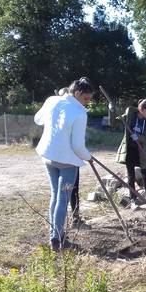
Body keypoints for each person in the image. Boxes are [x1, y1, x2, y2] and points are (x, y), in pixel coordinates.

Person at [34, 77, 93, 251]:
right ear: (77, 93)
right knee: (62, 200)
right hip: (67, 162)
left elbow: (38, 119)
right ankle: (57, 239)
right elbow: (77, 146)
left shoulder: (53, 101)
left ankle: (54, 235)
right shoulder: (80, 113)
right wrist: (88, 157)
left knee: (55, 195)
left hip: (48, 156)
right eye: (86, 99)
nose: (87, 103)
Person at [110, 98, 146, 208]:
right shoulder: (130, 116)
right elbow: (114, 123)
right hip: (130, 149)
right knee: (131, 175)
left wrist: (139, 137)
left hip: (141, 149)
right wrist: (111, 110)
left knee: (145, 172)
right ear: (140, 109)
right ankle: (133, 199)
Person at [57, 87, 83, 227]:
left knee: (74, 188)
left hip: (73, 159)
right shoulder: (59, 114)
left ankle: (75, 217)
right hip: (64, 160)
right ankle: (60, 228)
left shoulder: (72, 113)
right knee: (63, 193)